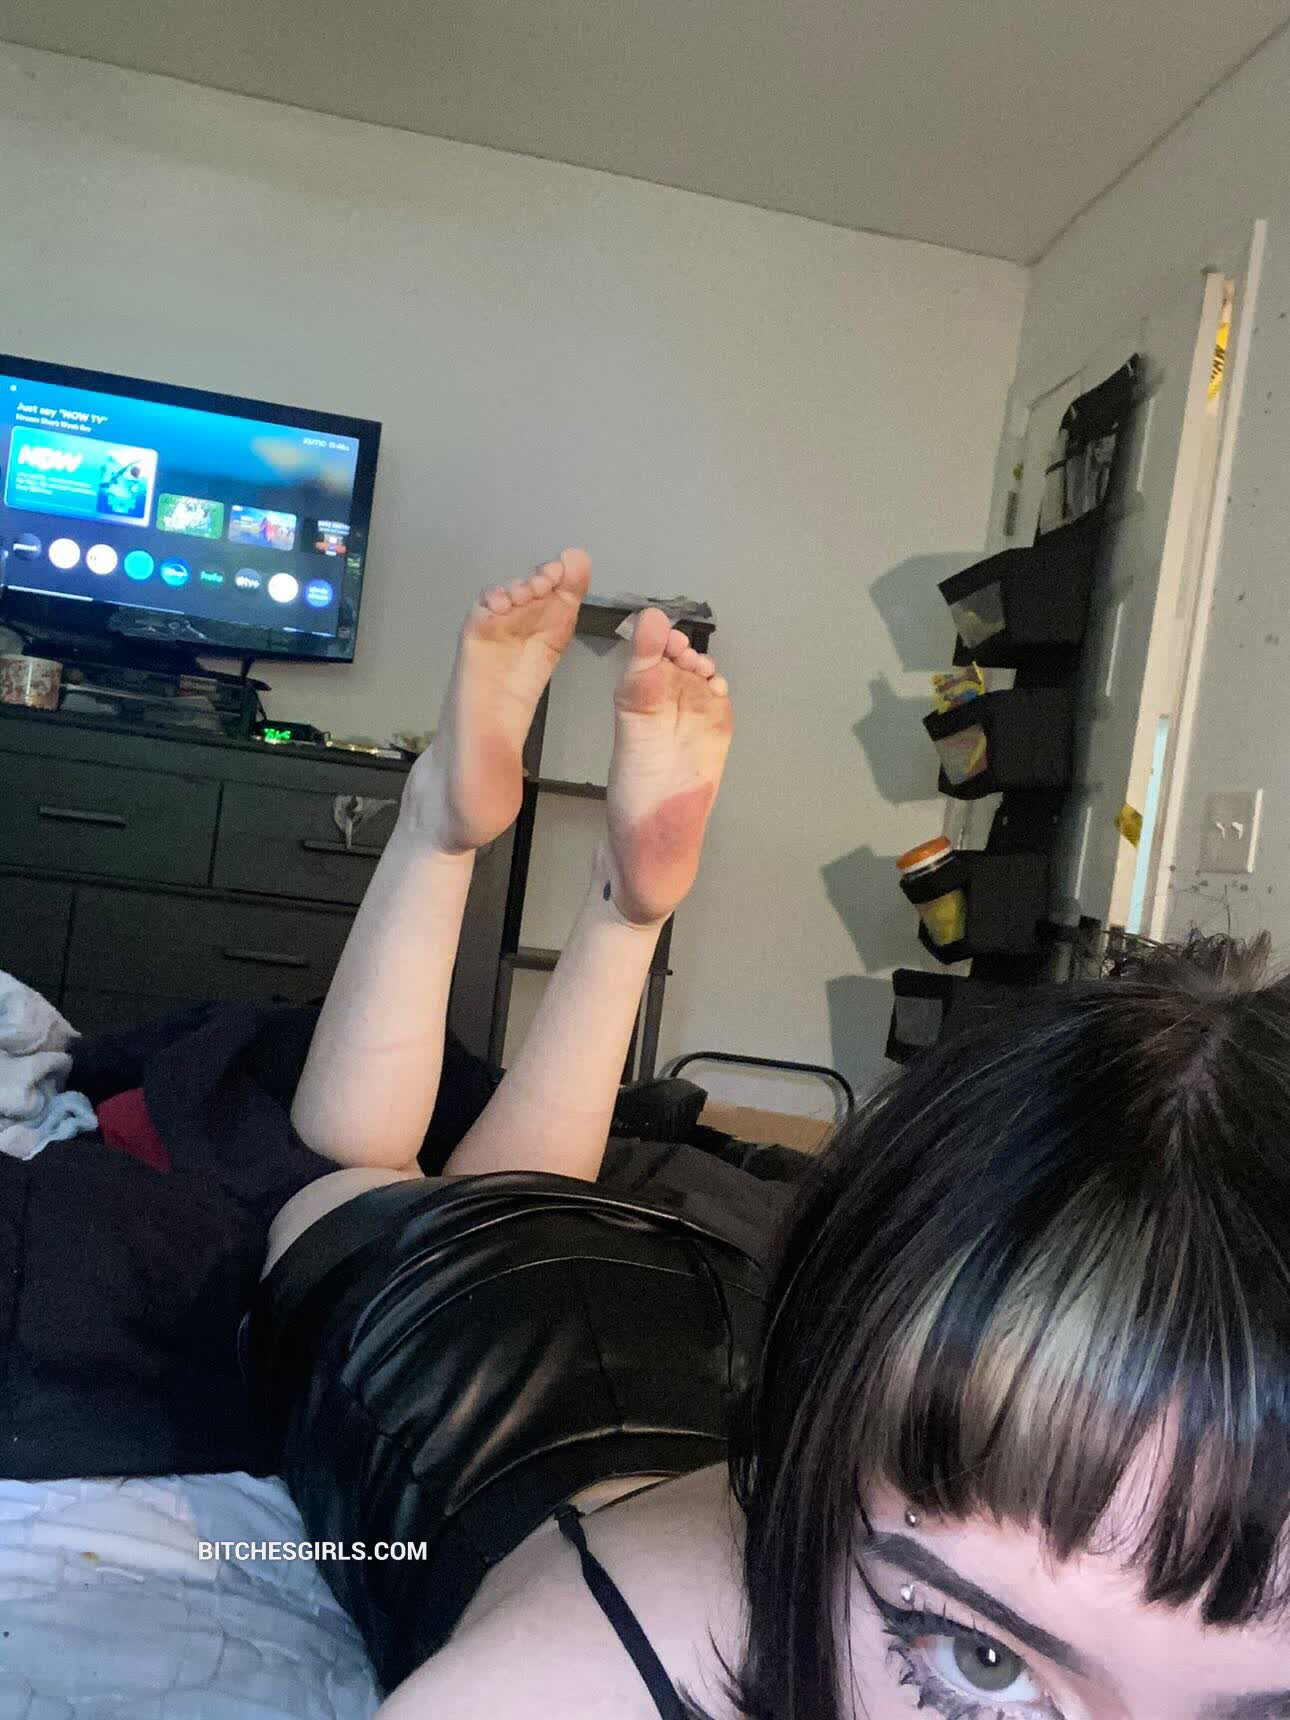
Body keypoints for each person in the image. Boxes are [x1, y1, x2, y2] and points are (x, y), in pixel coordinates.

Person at [246, 550, 1290, 1719]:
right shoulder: (569, 1673)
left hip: (673, 1296)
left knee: (455, 1182)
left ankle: (539, 869)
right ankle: (466, 834)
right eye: (982, 1664)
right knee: (345, 1176)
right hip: (446, 1341)